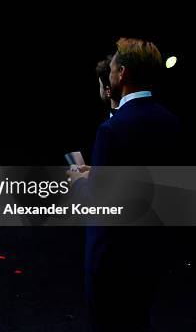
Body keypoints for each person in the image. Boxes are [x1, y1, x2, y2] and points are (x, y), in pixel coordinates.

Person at [68, 37, 180, 331]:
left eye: (114, 67)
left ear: (123, 74)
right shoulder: (171, 123)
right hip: (150, 257)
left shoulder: (112, 129)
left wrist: (81, 180)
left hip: (111, 262)